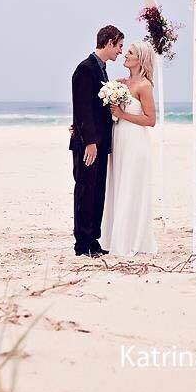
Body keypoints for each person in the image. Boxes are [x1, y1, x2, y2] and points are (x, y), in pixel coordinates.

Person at [69, 25, 124, 257]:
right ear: (109, 42)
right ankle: (82, 243)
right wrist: (90, 141)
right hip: (88, 145)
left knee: (98, 190)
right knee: (85, 190)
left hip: (100, 143)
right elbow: (82, 108)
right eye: (119, 46)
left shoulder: (101, 69)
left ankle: (93, 240)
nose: (120, 51)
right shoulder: (85, 69)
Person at [100, 41, 158, 256]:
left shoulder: (144, 85)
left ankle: (131, 239)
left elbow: (150, 120)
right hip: (119, 140)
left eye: (130, 52)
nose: (125, 54)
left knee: (131, 187)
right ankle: (114, 237)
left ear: (140, 59)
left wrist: (122, 114)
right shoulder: (120, 82)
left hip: (135, 142)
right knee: (118, 184)